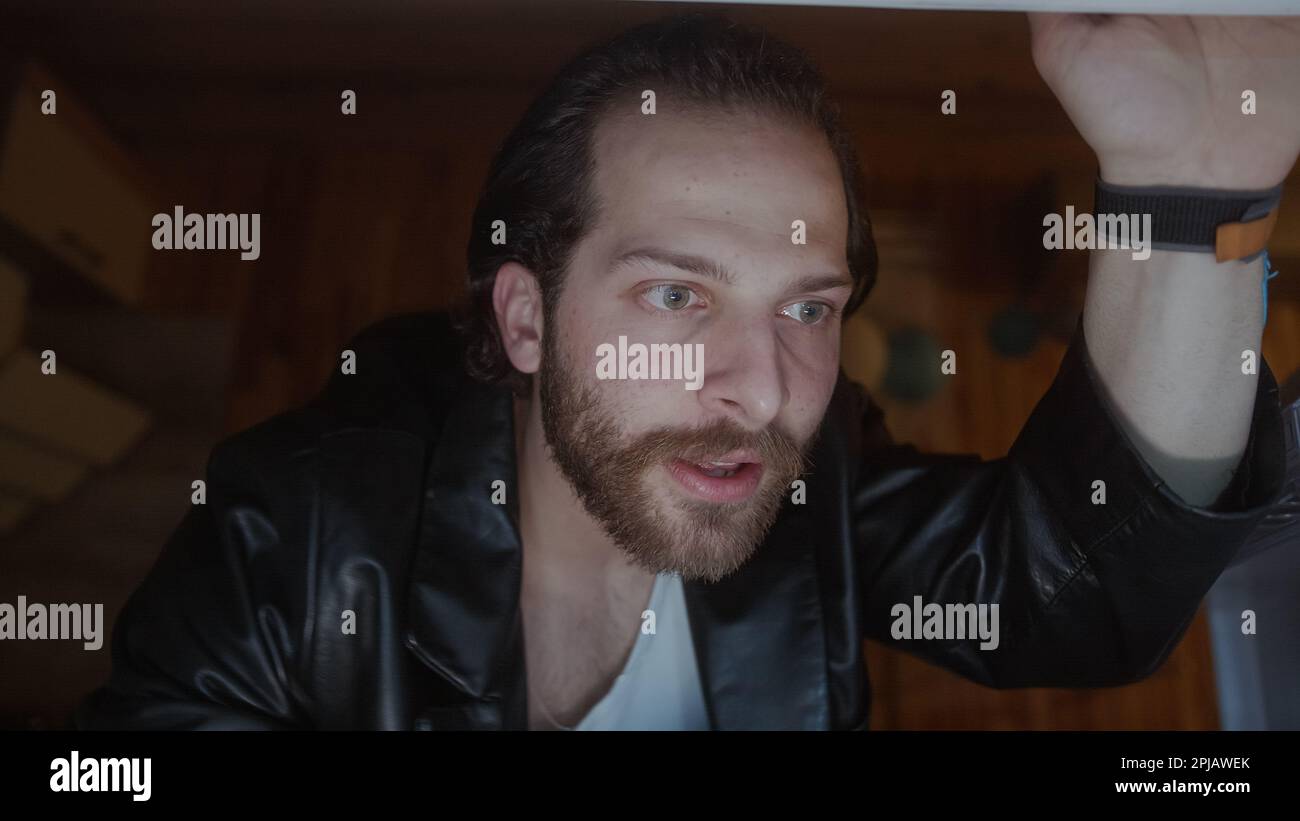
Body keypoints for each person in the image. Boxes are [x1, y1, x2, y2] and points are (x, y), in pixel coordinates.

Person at [78, 13, 1296, 730]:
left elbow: (1073, 597)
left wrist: (1194, 183)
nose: (761, 391)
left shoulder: (804, 483)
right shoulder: (284, 551)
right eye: (677, 293)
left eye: (807, 306)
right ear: (524, 319)